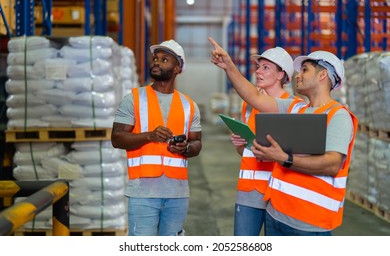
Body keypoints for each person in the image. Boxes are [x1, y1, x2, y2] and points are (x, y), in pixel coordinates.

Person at [208, 37, 358, 236]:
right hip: (276, 213)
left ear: (323, 75)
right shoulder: (296, 109)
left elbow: (332, 164)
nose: (297, 75)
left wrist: (284, 158)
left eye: (305, 70)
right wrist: (229, 66)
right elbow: (255, 97)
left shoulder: (338, 115)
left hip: (308, 222)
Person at [111, 39, 202, 236]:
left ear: (177, 68)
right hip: (143, 193)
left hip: (177, 194)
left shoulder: (189, 105)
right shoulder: (134, 99)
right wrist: (149, 136)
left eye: (164, 59)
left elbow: (197, 143)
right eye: (155, 58)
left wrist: (186, 148)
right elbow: (117, 138)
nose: (157, 62)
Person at [230, 47, 300, 236]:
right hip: (247, 191)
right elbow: (244, 151)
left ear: (280, 75)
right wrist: (240, 144)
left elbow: (296, 154)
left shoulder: (294, 106)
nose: (258, 71)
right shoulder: (248, 105)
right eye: (258, 67)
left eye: (266, 67)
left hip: (277, 192)